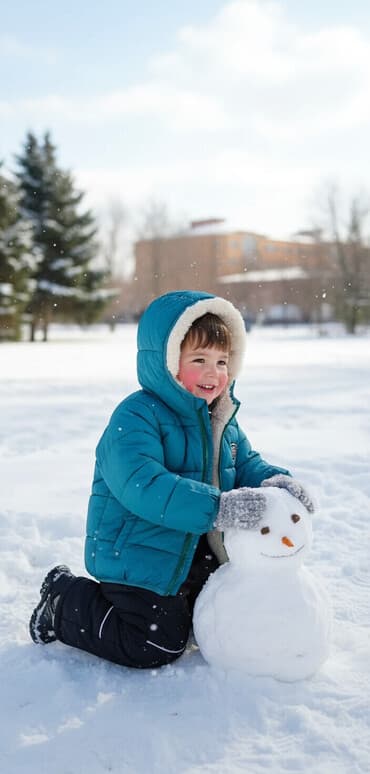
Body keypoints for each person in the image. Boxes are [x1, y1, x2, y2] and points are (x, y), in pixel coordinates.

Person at [29, 290, 314, 669]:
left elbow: (246, 464)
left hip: (194, 554)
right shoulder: (136, 416)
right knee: (156, 643)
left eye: (222, 361)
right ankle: (63, 600)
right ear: (166, 363)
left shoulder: (220, 419)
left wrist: (277, 482)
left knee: (222, 615)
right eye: (199, 360)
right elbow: (143, 485)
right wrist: (218, 508)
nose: (213, 373)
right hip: (139, 555)